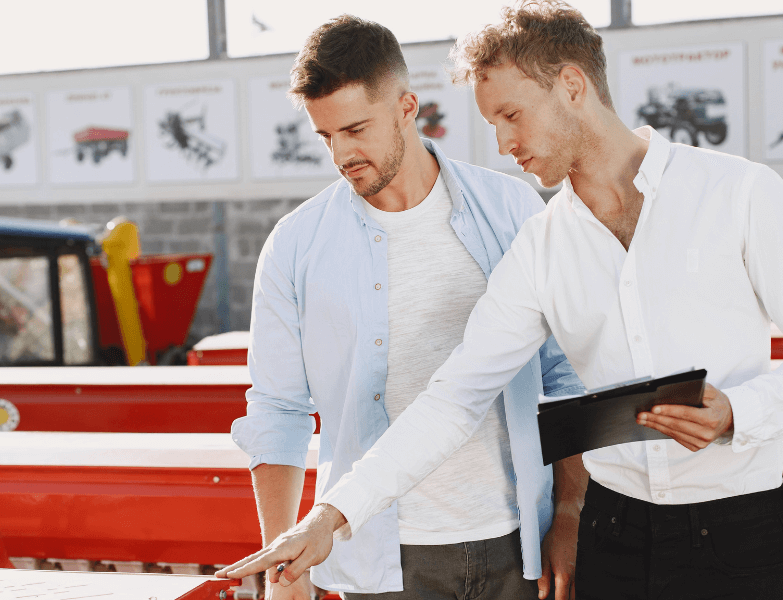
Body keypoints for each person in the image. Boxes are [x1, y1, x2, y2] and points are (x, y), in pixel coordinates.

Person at [223, 1, 783, 598]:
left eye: (510, 116)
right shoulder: (540, 243)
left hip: (739, 527)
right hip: (614, 533)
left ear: (572, 86)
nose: (501, 143)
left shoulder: (739, 192)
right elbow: (455, 396)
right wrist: (330, 517)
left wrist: (741, 413)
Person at [221, 14, 586, 600]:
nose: (342, 153)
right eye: (326, 136)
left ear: (407, 106)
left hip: (517, 543)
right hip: (377, 557)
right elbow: (278, 413)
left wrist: (568, 514)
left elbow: (563, 374)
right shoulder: (295, 246)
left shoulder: (512, 209)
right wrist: (286, 571)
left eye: (357, 129)